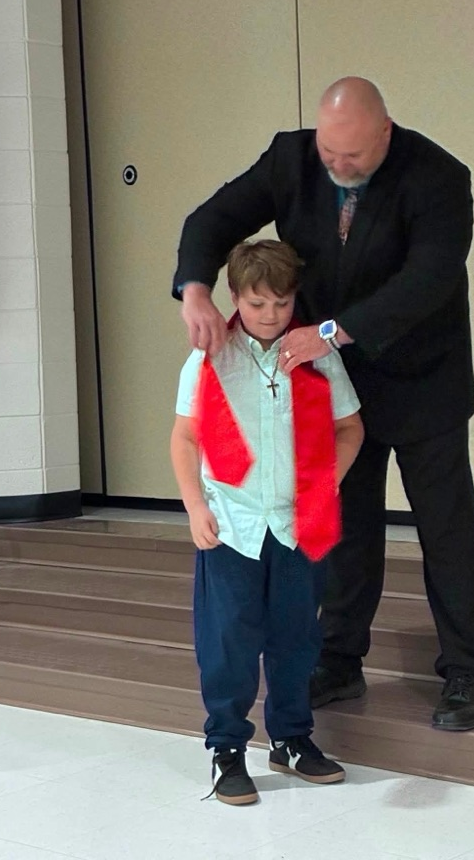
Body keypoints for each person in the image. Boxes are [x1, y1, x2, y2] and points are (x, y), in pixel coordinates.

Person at [173, 77, 474, 731]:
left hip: (420, 374)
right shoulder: (291, 158)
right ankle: (340, 659)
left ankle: (468, 670)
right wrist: (196, 288)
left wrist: (327, 332)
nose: (338, 168)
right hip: (331, 382)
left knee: (446, 526)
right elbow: (210, 220)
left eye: (353, 157)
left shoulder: (437, 176)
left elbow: (427, 280)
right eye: (329, 154)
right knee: (339, 521)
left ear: (385, 133)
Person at [171, 239, 364, 805]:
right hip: (231, 524)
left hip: (297, 525)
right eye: (256, 304)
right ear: (235, 297)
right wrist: (194, 505)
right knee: (228, 641)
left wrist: (326, 482)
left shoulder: (314, 354)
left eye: (281, 303)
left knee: (296, 639)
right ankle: (226, 748)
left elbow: (349, 428)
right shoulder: (211, 355)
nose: (270, 315)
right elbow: (185, 437)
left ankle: (292, 737)